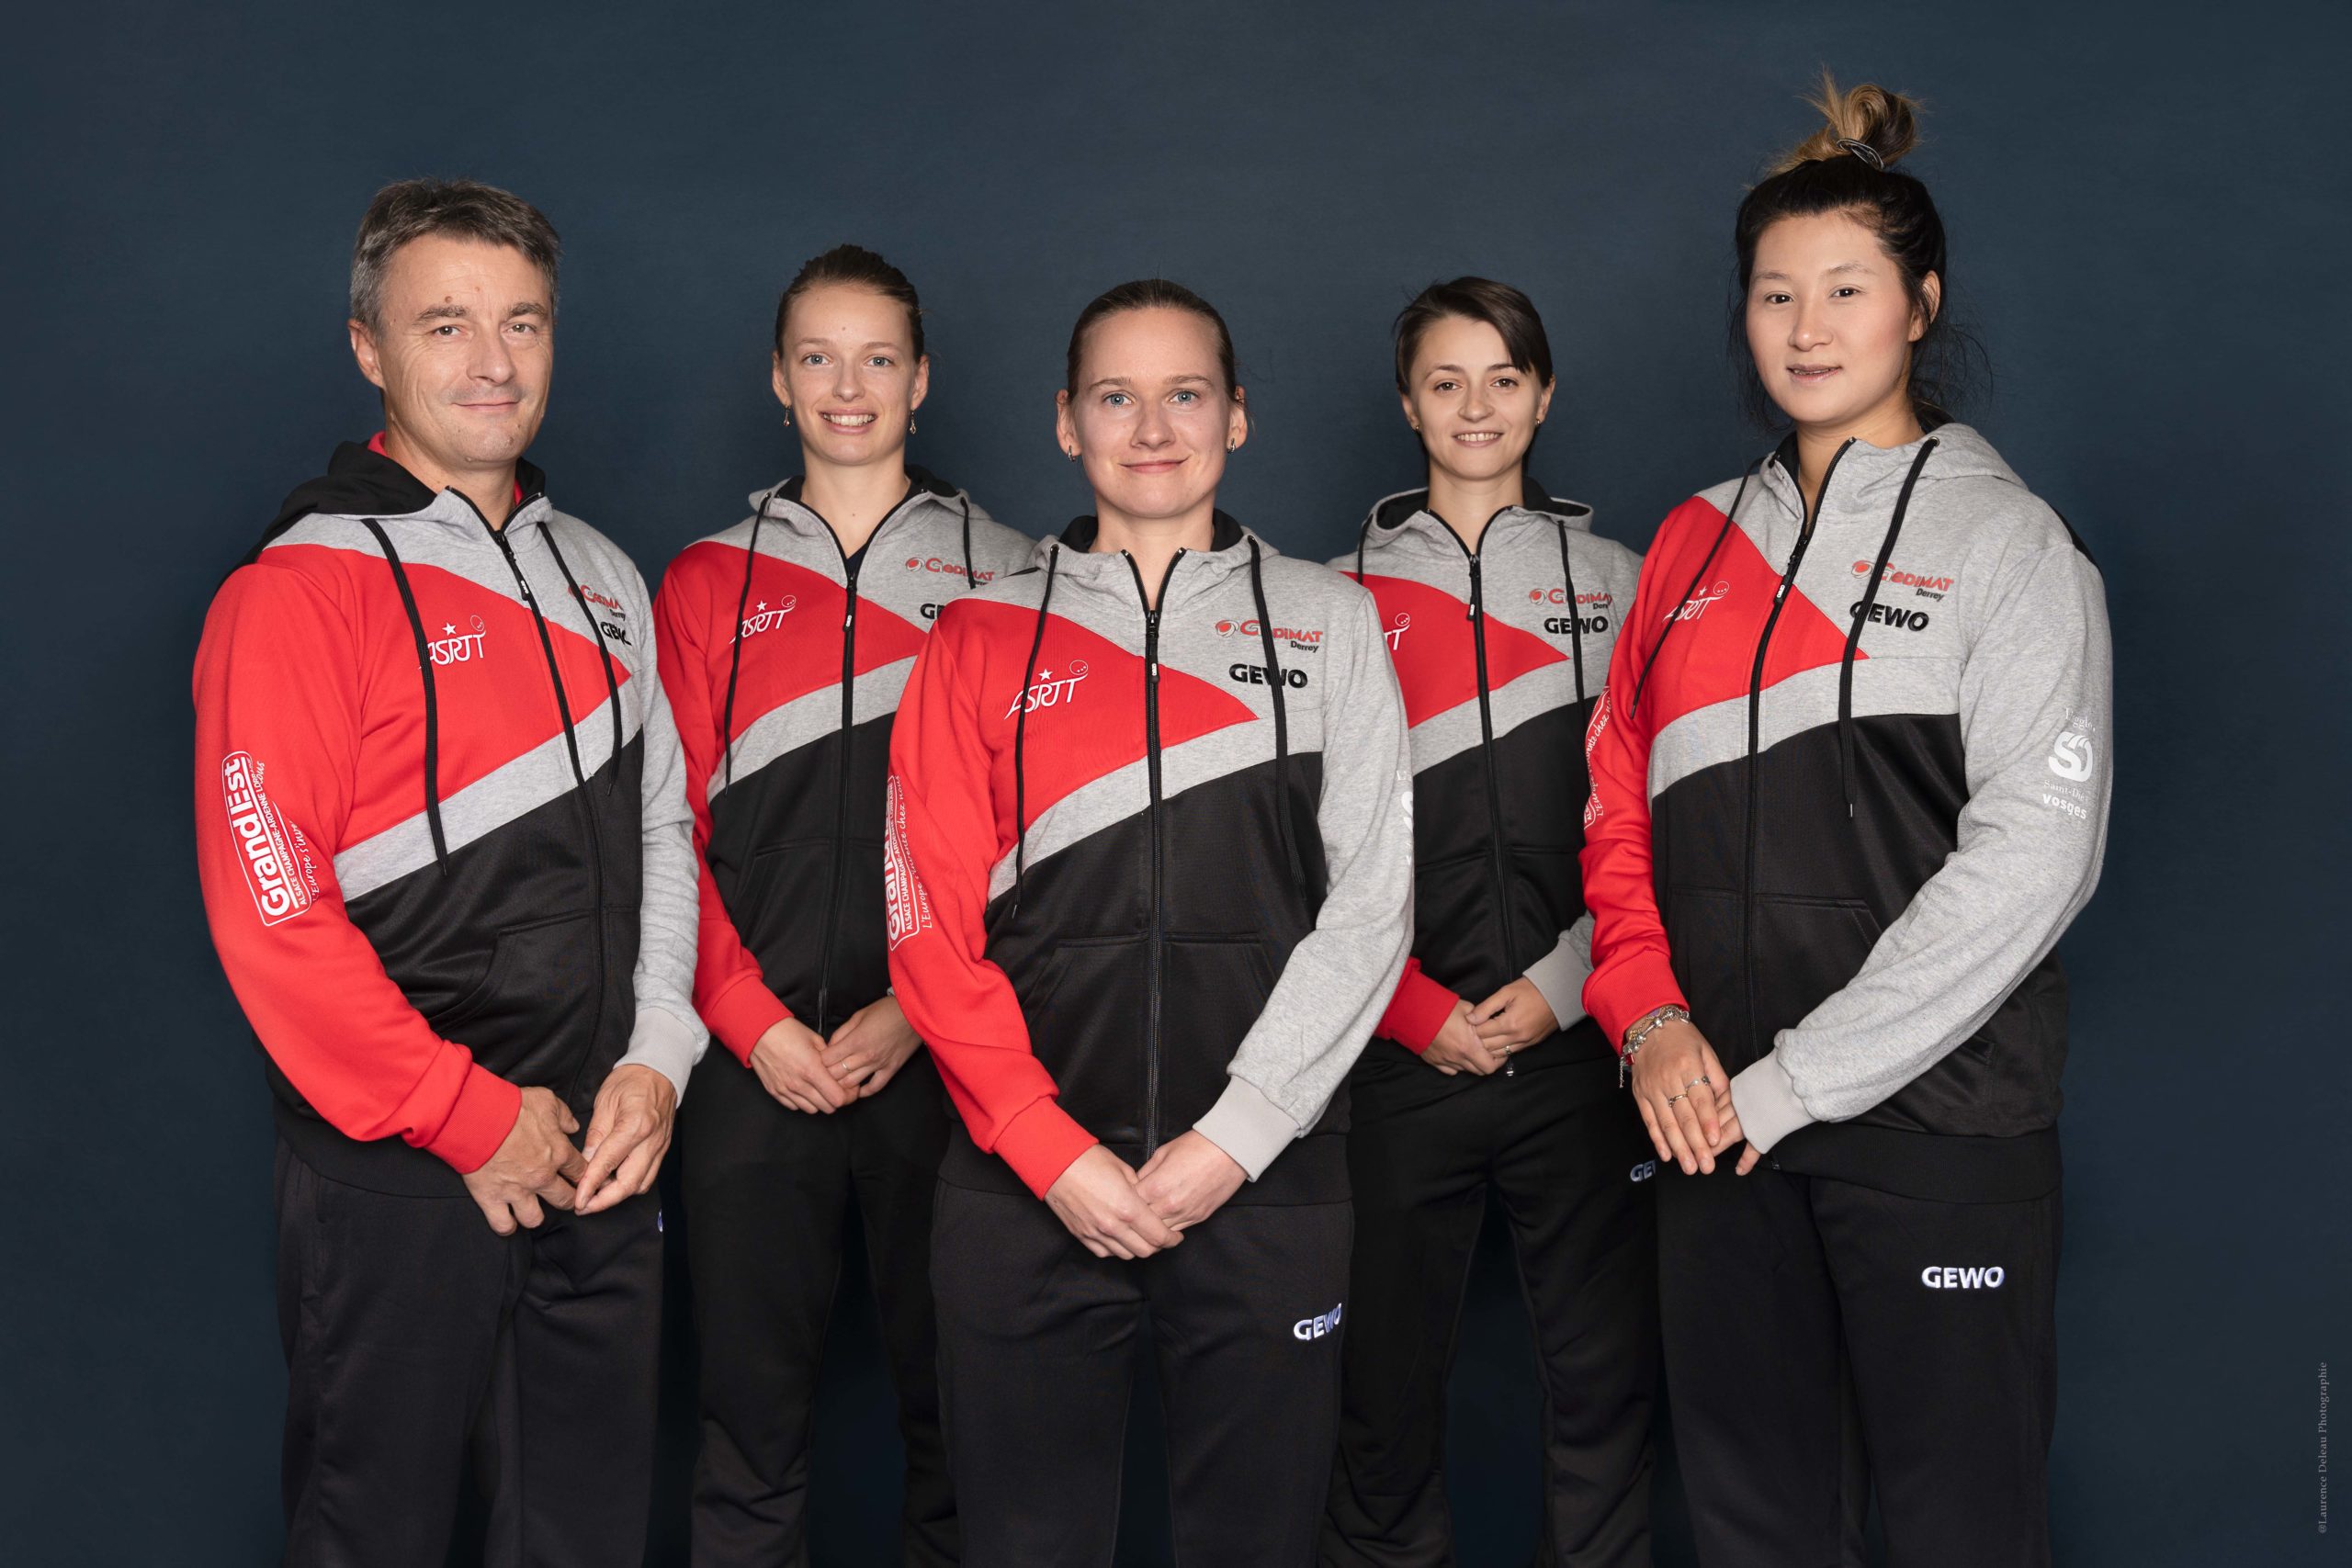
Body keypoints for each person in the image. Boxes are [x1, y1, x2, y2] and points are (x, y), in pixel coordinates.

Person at [1578, 79, 2111, 1567]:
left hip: (1936, 1129)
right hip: (1710, 1130)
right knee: (1752, 1531)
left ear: (1920, 306)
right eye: (1772, 294)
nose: (1805, 328)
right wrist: (1647, 1024)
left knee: (1957, 1534)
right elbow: (1614, 810)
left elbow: (2035, 863)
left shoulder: (2011, 545)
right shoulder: (1688, 542)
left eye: (1846, 289)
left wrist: (1792, 1082)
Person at [191, 178, 705, 1565]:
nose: (492, 362)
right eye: (446, 324)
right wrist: (467, 1118)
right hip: (402, 1170)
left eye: (523, 322)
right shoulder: (297, 587)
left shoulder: (602, 574)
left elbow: (665, 835)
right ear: (371, 348)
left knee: (588, 1537)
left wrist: (658, 1056)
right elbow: (270, 912)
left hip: (602, 1157)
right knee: (378, 1539)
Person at [882, 279, 1414, 1566]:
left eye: (1186, 394)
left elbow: (1377, 908)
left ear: (1238, 418)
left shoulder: (1332, 622)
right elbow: (921, 925)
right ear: (1068, 423)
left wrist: (1236, 1138)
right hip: (1024, 1196)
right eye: (1117, 397)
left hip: (1268, 1187)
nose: (1153, 426)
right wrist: (1045, 1146)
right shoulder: (976, 637)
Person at [652, 243, 1031, 1566]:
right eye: (819, 356)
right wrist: (750, 1023)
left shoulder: (1013, 574)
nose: (848, 384)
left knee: (961, 1426)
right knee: (748, 1429)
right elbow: (664, 836)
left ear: (921, 380)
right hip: (752, 1066)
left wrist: (917, 1014)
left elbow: (1033, 837)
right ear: (778, 377)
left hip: (943, 1058)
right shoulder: (705, 580)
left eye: (878, 357)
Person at [1323, 278, 1655, 1566]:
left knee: (1605, 1398)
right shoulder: (1327, 599)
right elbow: (1307, 850)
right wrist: (1409, 1007)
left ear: (1545, 395)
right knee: (1381, 1408)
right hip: (1401, 1056)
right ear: (1407, 401)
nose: (1476, 406)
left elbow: (1656, 820)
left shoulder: (1627, 585)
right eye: (1446, 381)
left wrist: (1572, 986)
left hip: (1582, 1052)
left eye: (1503, 379)